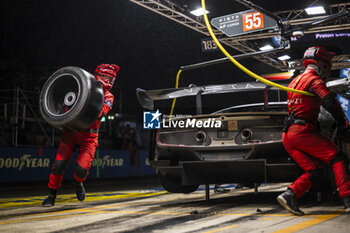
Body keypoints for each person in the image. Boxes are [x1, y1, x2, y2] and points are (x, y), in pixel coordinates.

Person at [277, 46, 350, 215]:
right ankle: (348, 199)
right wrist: (342, 123)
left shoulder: (295, 81)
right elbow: (329, 101)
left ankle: (290, 194)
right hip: (302, 132)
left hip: (288, 135)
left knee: (315, 171)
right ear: (322, 65)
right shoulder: (313, 80)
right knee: (338, 157)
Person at [42, 64, 120, 207]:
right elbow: (66, 107)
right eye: (105, 77)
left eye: (110, 78)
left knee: (81, 169)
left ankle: (78, 183)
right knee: (58, 166)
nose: (108, 80)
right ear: (98, 75)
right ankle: (51, 196)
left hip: (89, 137)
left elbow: (101, 113)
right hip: (71, 132)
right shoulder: (81, 86)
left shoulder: (109, 96)